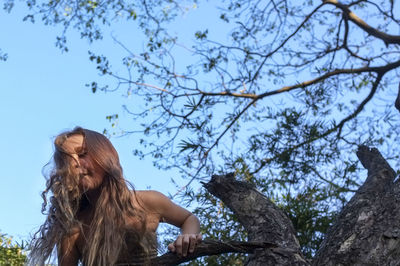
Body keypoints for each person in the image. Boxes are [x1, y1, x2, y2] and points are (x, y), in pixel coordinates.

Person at [28, 127, 202, 266]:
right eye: (67, 161)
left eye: (82, 154)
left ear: (105, 154)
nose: (74, 164)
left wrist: (188, 237)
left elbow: (189, 218)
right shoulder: (73, 229)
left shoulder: (147, 202)